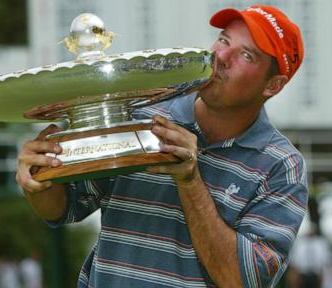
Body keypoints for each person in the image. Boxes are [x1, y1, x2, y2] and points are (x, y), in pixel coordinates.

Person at [16, 5, 308, 287]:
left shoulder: (281, 166)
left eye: (246, 55)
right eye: (223, 39)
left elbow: (242, 281)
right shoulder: (146, 114)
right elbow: (66, 207)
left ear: (273, 85)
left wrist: (190, 180)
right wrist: (40, 178)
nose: (221, 56)